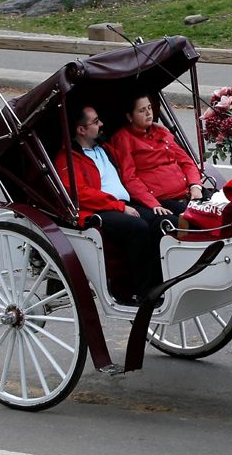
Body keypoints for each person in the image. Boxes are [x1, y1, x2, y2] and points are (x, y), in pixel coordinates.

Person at [53, 106, 162, 306]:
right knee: (137, 227)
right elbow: (81, 193)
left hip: (124, 203)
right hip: (100, 210)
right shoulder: (68, 158)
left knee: (161, 222)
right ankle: (142, 291)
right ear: (81, 130)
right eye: (95, 122)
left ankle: (160, 281)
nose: (101, 124)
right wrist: (118, 207)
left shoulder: (104, 148)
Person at [106, 95, 206, 230]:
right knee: (196, 219)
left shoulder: (160, 131)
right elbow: (129, 178)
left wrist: (195, 185)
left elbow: (186, 161)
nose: (148, 113)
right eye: (142, 110)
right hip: (163, 199)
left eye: (149, 108)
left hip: (188, 192)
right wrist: (153, 204)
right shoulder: (123, 139)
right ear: (130, 117)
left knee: (219, 208)